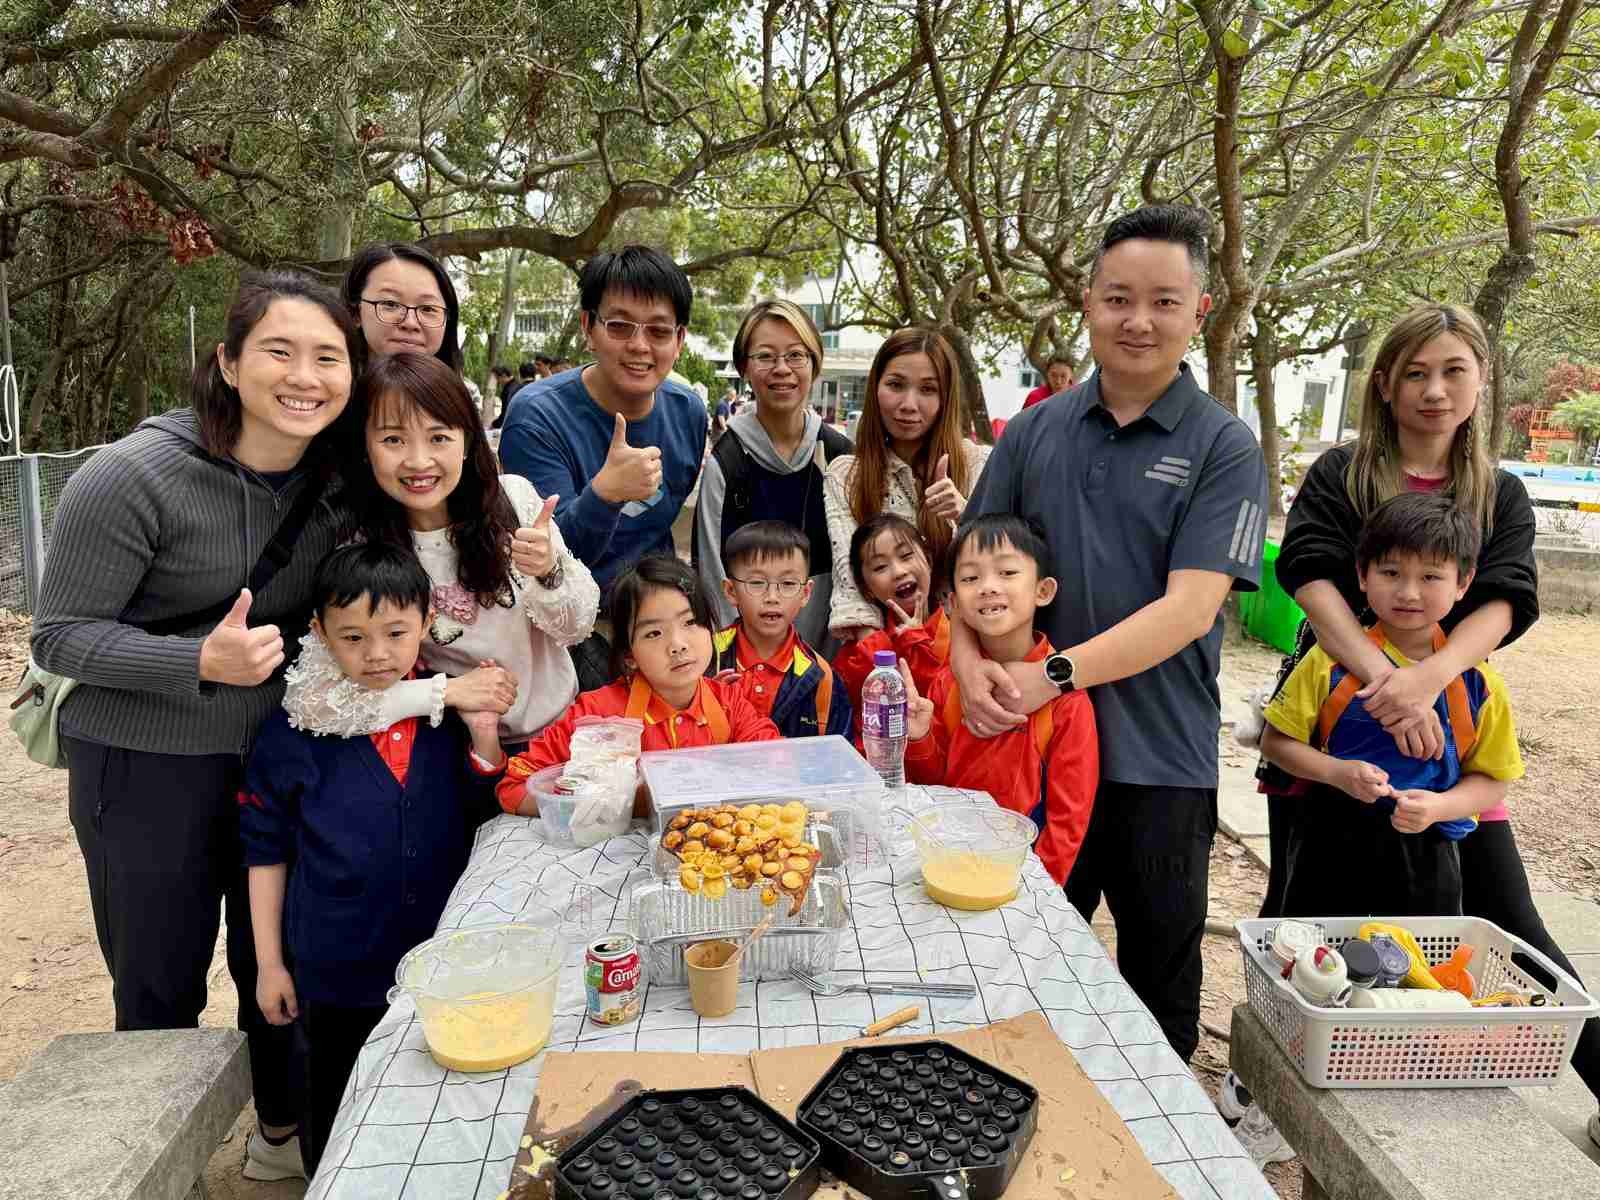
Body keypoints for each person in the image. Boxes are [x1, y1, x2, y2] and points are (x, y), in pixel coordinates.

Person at [31, 270, 364, 1182]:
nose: (305, 377)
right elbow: (59, 634)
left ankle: (280, 1136)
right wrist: (194, 662)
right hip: (146, 769)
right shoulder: (131, 476)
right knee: (160, 985)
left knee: (277, 962)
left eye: (328, 357)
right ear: (227, 362)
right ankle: (153, 1171)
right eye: (279, 352)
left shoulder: (337, 481)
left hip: (274, 764)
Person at [1267, 302, 1598, 1138]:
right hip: (1333, 719)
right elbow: (1309, 572)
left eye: (1454, 371)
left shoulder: (1500, 493)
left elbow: (1508, 600)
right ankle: (1266, 1081)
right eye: (1415, 372)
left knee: (1510, 920)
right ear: (1384, 383)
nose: (1434, 389)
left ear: (1482, 381)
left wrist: (1429, 682)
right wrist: (1385, 681)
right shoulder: (1342, 473)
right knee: (1299, 915)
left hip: (1447, 740)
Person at [952, 204, 1269, 1066]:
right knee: (1016, 957)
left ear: (1199, 312)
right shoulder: (1035, 430)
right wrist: (966, 661)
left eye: (1164, 302)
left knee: (1157, 979)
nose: (1139, 321)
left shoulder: (1224, 446)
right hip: (1032, 752)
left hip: (1158, 760)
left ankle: (1158, 1127)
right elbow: (969, 572)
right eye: (1119, 298)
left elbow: (1190, 609)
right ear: (1088, 302)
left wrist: (1049, 674)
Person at [241, 542, 506, 1175]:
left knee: (433, 1090)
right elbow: (264, 854)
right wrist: (270, 965)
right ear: (319, 632)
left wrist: (485, 735)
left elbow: (484, 810)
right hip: (336, 967)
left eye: (395, 632)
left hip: (440, 958)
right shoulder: (293, 733)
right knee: (335, 1097)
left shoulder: (443, 716)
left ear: (426, 622)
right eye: (353, 637)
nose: (377, 653)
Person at [282, 353, 598, 772]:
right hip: (458, 754)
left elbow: (576, 629)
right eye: (393, 440)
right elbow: (312, 702)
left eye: (438, 437)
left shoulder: (514, 501)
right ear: (365, 448)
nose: (418, 461)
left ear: (466, 441)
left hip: (563, 736)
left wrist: (548, 572)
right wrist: (448, 692)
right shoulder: (362, 549)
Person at [1261, 493, 1522, 916]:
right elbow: (1275, 744)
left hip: (1427, 858)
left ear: (1463, 583)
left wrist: (1439, 808)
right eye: (1390, 572)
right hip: (1326, 851)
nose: (1409, 592)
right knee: (1314, 953)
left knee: (1416, 958)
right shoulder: (1327, 663)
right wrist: (1337, 772)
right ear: (1362, 574)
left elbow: (1493, 782)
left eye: (1431, 577)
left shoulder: (1479, 685)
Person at [497, 245, 708, 684]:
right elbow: (546, 562)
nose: (639, 345)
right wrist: (605, 495)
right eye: (619, 325)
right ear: (588, 327)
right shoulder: (537, 416)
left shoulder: (687, 411)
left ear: (679, 339)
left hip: (655, 617)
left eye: (658, 330)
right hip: (570, 630)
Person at [902, 515, 1098, 885]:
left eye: (1007, 573)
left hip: (1019, 880)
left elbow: (1068, 821)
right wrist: (920, 737)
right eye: (970, 578)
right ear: (953, 603)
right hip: (949, 865)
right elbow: (933, 785)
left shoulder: (1066, 702)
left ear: (1043, 590)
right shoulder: (949, 683)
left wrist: (1036, 894)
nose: (988, 587)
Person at [498, 556, 781, 812]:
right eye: (654, 633)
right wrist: (615, 800)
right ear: (629, 656)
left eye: (690, 622)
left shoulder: (730, 704)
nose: (678, 645)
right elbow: (515, 787)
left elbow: (777, 764)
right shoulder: (597, 715)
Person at [693, 300, 852, 650]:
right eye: (765, 356)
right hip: (745, 664)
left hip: (831, 655)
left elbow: (854, 570)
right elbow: (711, 573)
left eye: (796, 355)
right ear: (744, 368)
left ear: (815, 363)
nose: (782, 369)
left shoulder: (839, 456)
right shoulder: (727, 462)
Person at [823, 328, 990, 641]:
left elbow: (1001, 570)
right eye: (896, 385)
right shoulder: (845, 476)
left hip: (972, 644)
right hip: (886, 649)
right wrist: (885, 662)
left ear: (946, 397)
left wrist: (965, 515)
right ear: (876, 387)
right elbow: (852, 592)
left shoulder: (977, 464)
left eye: (928, 389)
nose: (909, 404)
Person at [710, 522, 853, 740]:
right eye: (757, 583)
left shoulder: (823, 679)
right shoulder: (705, 659)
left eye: (787, 583)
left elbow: (838, 755)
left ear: (806, 593)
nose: (772, 597)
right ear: (731, 591)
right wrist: (706, 705)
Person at [832, 514, 951, 732]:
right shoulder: (860, 651)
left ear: (928, 559)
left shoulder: (962, 632)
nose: (898, 572)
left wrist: (916, 641)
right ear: (866, 589)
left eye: (906, 556)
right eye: (880, 567)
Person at [341, 242, 462, 369]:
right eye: (390, 304)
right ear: (355, 312)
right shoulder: (330, 381)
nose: (410, 323)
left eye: (428, 308)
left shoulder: (460, 383)